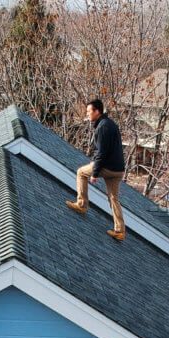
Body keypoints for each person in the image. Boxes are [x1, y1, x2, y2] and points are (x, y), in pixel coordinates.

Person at [65, 99, 127, 241]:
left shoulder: (103, 127)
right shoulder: (110, 124)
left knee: (81, 173)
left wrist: (95, 173)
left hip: (107, 166)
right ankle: (120, 230)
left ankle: (81, 204)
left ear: (97, 111)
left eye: (89, 111)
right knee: (113, 198)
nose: (87, 114)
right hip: (118, 169)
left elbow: (101, 153)